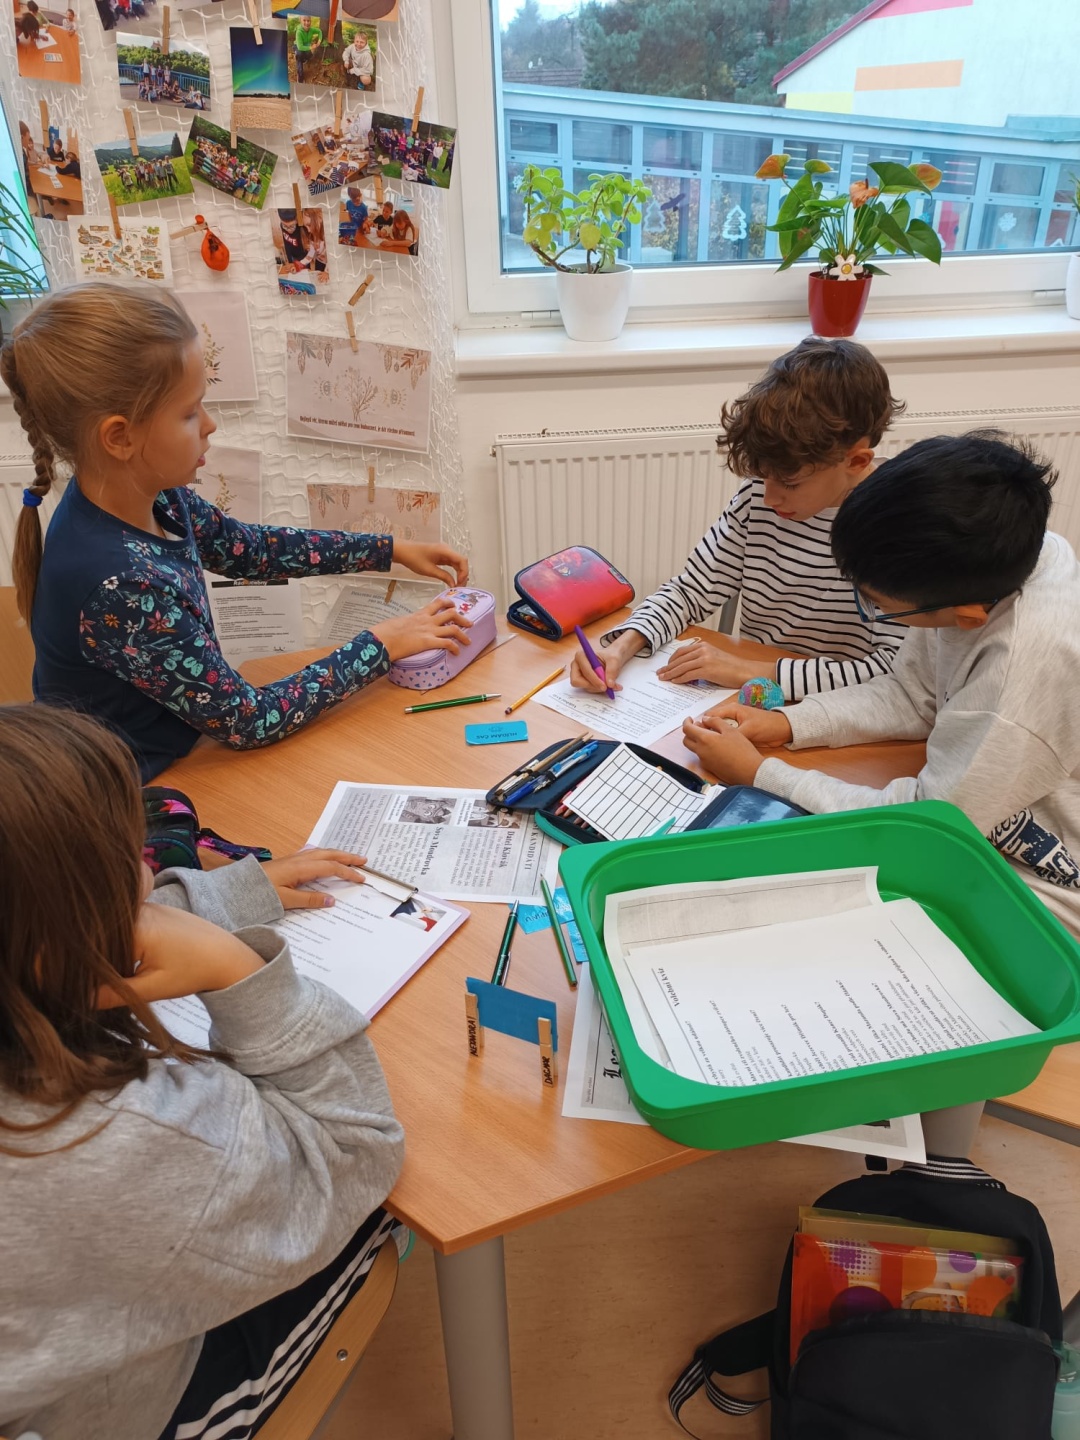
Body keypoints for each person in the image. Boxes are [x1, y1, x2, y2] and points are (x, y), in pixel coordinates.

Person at [0, 703, 405, 1440]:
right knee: (386, 1211)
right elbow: (354, 1151)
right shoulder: (112, 1136)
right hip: (123, 1409)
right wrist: (234, 968)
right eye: (129, 865)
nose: (149, 873)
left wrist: (229, 894)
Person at [4, 282, 474, 781]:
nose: (209, 425)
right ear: (119, 437)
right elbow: (249, 720)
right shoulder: (118, 584)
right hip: (135, 793)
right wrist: (383, 642)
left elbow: (247, 550)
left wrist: (389, 549)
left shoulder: (153, 495)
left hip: (187, 750)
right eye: (189, 413)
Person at [683, 431, 1080, 937]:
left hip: (1042, 881)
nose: (871, 610)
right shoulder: (999, 561)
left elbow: (926, 825)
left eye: (879, 605)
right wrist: (787, 723)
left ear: (968, 616)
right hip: (978, 811)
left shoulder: (1016, 684)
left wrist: (762, 775)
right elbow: (912, 693)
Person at [571, 337, 906, 702]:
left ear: (856, 461)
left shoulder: (901, 524)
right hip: (757, 700)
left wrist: (750, 670)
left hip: (843, 711)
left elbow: (895, 672)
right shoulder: (758, 498)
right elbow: (690, 591)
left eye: (790, 483)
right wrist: (621, 647)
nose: (769, 498)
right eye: (763, 477)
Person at [292, 13, 322, 82]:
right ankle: (300, 76)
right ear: (300, 21)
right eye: (304, 20)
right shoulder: (299, 32)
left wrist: (319, 41)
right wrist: (311, 47)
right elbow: (300, 47)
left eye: (308, 21)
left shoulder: (311, 29)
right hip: (298, 46)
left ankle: (304, 59)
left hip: (306, 46)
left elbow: (319, 31)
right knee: (299, 55)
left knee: (309, 54)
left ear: (310, 21)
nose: (306, 23)